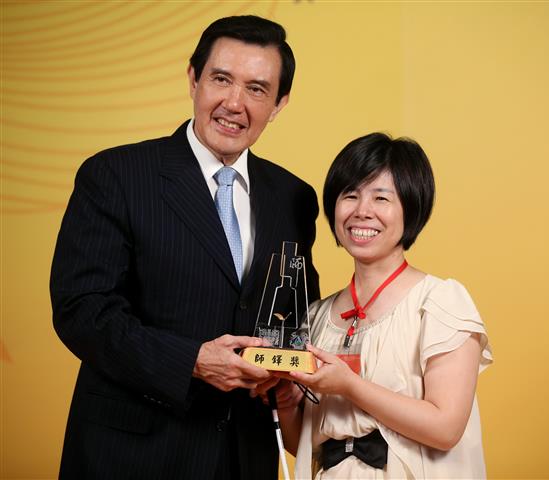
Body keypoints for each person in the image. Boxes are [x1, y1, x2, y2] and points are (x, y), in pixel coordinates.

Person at [49, 15, 319, 480]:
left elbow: (294, 313)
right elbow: (82, 310)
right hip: (133, 453)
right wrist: (191, 361)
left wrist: (291, 372)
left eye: (257, 89)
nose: (234, 103)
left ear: (279, 104)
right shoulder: (116, 174)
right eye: (221, 79)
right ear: (194, 79)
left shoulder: (293, 196)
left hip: (244, 455)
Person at [276, 133, 492, 479]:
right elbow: (304, 443)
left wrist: (350, 385)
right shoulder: (316, 316)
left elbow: (446, 427)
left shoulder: (438, 302)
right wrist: (286, 402)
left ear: (411, 208)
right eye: (350, 195)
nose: (362, 211)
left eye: (381, 198)